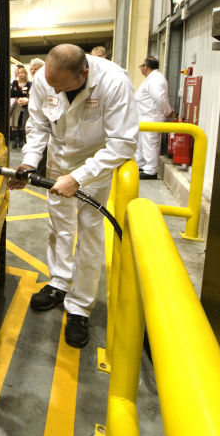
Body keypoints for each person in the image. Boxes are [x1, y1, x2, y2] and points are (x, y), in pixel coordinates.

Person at [8, 44, 138, 348]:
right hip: (59, 158)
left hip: (96, 164)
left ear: (84, 73)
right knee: (59, 228)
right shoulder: (45, 79)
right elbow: (39, 125)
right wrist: (29, 161)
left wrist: (79, 177)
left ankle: (80, 305)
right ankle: (59, 283)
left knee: (90, 234)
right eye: (51, 84)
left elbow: (123, 143)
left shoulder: (114, 82)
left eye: (62, 86)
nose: (54, 89)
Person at [135, 56, 175, 179]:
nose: (141, 69)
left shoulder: (156, 79)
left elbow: (160, 98)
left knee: (150, 143)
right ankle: (142, 165)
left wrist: (167, 111)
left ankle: (151, 170)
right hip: (144, 117)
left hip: (151, 117)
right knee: (142, 143)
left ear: (146, 67)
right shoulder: (151, 79)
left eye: (141, 66)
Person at [9, 64, 31, 148]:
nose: (21, 74)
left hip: (25, 106)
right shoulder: (15, 82)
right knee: (15, 123)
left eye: (23, 73)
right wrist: (20, 92)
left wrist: (19, 92)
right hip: (16, 106)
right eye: (20, 73)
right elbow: (13, 93)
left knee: (22, 123)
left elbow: (27, 94)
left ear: (26, 74)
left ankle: (21, 141)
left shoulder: (29, 83)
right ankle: (15, 141)